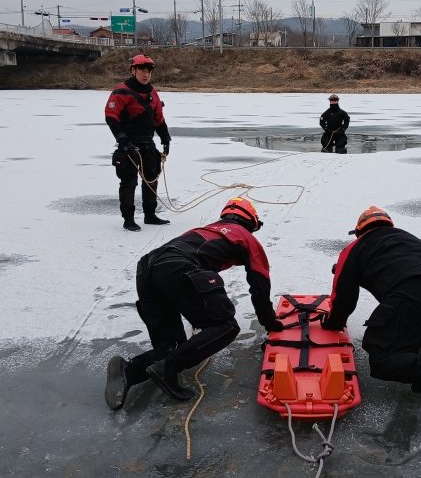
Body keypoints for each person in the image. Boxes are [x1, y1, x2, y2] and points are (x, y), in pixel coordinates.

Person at [104, 197, 285, 409]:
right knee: (224, 326)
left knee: (171, 347)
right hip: (178, 266)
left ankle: (129, 371)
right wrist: (270, 323)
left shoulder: (204, 230)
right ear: (251, 222)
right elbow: (260, 287)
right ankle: (167, 369)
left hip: (147, 268)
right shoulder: (247, 239)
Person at [320, 206, 421, 424]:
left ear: (358, 232)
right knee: (409, 338)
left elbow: (343, 297)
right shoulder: (405, 239)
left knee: (382, 357)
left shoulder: (354, 248)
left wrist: (332, 323)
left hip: (414, 289)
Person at [105, 54, 171, 231]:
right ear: (133, 70)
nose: (146, 74)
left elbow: (159, 119)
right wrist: (122, 140)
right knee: (129, 182)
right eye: (142, 70)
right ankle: (128, 219)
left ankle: (150, 214)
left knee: (151, 180)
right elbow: (111, 117)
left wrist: (166, 139)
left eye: (149, 71)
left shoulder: (152, 93)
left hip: (148, 144)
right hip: (129, 144)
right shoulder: (121, 92)